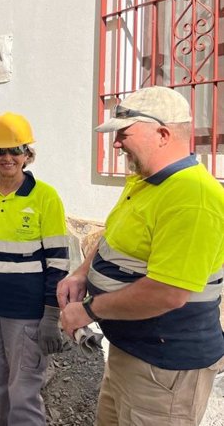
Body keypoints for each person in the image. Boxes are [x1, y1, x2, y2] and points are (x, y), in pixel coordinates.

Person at [58, 86, 224, 425]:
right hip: (130, 350)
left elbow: (169, 292)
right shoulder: (145, 182)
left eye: (124, 134)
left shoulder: (193, 197)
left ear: (163, 134)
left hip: (163, 369)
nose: (116, 143)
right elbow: (113, 239)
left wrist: (87, 311)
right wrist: (81, 274)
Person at [0, 112, 69, 426]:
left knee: (24, 392)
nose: (7, 157)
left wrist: (51, 314)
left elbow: (58, 261)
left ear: (27, 155)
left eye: (15, 150)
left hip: (26, 312)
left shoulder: (45, 197)